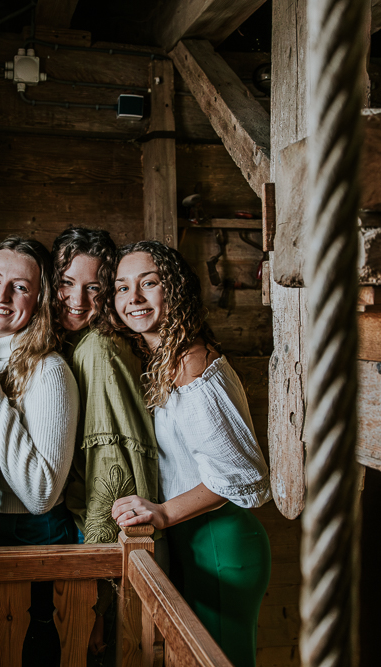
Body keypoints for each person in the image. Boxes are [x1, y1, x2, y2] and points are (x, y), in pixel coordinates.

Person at [110, 241, 271, 667]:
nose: (134, 298)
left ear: (175, 289)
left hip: (221, 541)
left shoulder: (191, 364)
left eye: (149, 283)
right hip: (193, 541)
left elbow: (240, 477)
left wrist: (161, 514)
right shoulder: (163, 360)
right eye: (122, 288)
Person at [0, 236, 78, 665]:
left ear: (40, 299)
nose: (2, 296)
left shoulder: (50, 371)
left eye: (20, 287)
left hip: (33, 537)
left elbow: (40, 496)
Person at [52, 227, 160, 656]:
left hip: (105, 548)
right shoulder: (74, 345)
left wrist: (94, 596)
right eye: (66, 283)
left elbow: (110, 474)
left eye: (93, 288)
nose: (77, 300)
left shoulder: (96, 350)